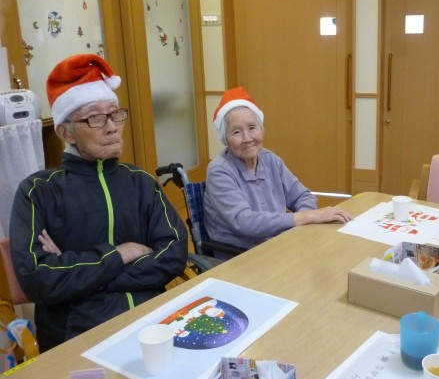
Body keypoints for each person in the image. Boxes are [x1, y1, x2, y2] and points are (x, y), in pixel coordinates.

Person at [9, 54, 188, 352]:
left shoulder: (140, 182)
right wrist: (121, 254)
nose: (112, 127)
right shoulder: (38, 191)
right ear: (66, 132)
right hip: (79, 335)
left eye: (115, 114)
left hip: (153, 324)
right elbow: (39, 279)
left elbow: (173, 253)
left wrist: (86, 276)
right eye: (95, 117)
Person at [204, 86, 352, 252]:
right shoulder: (219, 171)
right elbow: (244, 222)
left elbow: (302, 196)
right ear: (226, 139)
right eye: (236, 132)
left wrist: (304, 220)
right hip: (239, 254)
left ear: (262, 129)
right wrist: (306, 216)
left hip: (279, 245)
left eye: (252, 127)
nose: (247, 138)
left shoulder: (270, 160)